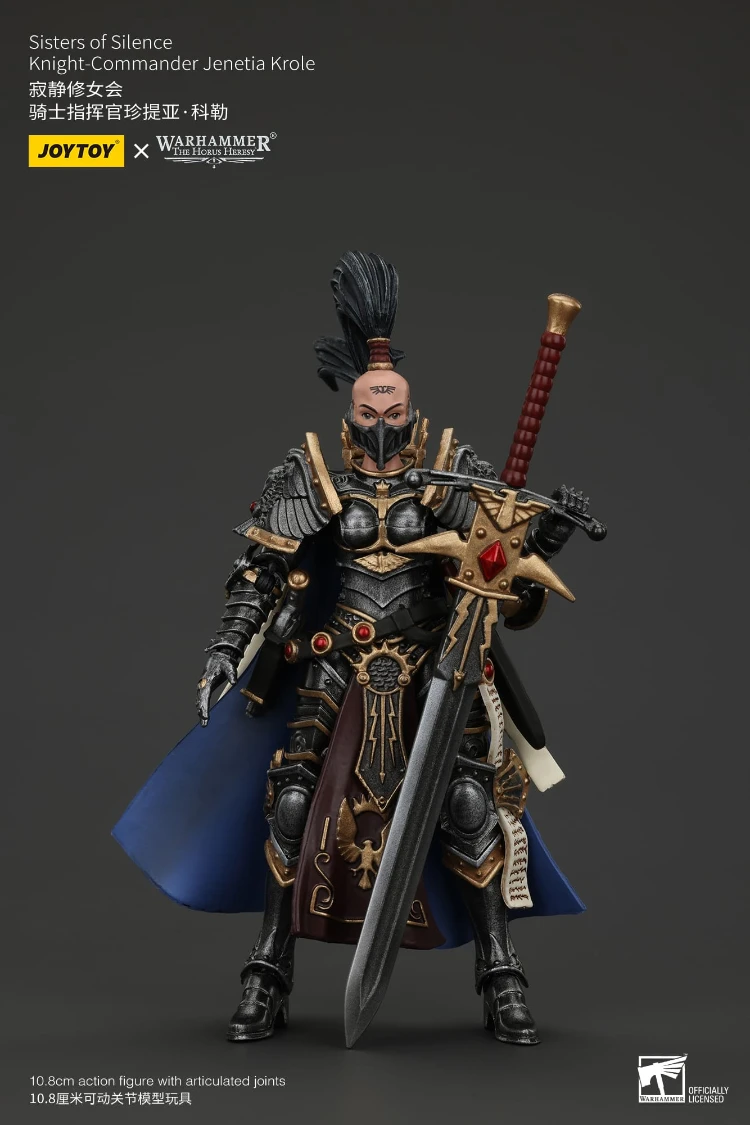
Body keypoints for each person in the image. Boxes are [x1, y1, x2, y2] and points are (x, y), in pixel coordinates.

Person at [114, 251, 590, 1045]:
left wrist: (547, 535)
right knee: (291, 802)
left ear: (410, 407)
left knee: (469, 804)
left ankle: (501, 972)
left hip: (433, 664)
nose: (381, 421)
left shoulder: (451, 477)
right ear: (350, 408)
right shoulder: (309, 478)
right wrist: (226, 649)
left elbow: (505, 579)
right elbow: (260, 574)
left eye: (392, 405)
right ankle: (268, 970)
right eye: (370, 406)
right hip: (334, 661)